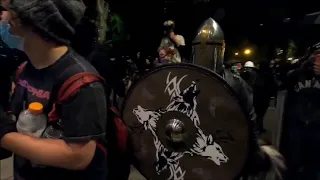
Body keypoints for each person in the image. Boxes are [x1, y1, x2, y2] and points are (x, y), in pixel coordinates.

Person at [0, 1, 107, 180]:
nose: (4, 18)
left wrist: (3, 134)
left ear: (38, 25)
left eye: (11, 16)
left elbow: (78, 156)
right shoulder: (25, 69)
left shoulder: (82, 82)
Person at [192, 17, 285, 178]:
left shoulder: (235, 84)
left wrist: (254, 151)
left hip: (225, 146)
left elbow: (248, 120)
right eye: (199, 48)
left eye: (209, 48)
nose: (204, 52)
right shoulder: (185, 79)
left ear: (220, 50)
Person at [281, 41, 320, 180]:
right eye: (316, 55)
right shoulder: (300, 73)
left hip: (317, 127)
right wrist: (302, 66)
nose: (317, 59)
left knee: (313, 166)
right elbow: (282, 80)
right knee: (292, 162)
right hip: (297, 124)